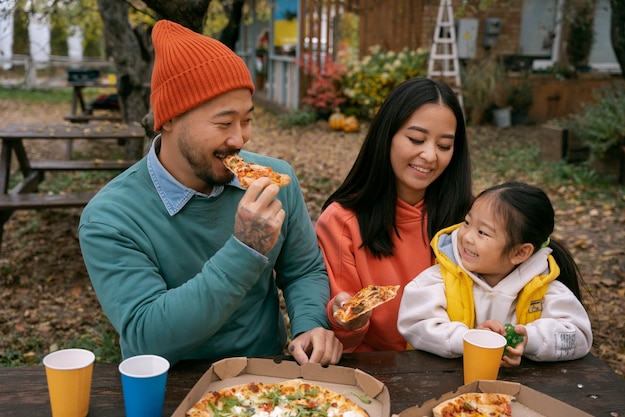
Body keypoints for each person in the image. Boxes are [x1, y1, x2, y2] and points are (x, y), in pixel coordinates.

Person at [78, 20, 342, 366]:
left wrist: (310, 325)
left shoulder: (271, 182)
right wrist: (245, 249)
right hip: (169, 383)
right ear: (169, 118)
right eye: (223, 123)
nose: (239, 139)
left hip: (266, 376)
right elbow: (148, 337)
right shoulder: (111, 217)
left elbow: (304, 270)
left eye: (247, 120)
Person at [315, 77, 474, 352]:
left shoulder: (469, 220)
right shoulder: (342, 223)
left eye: (444, 146)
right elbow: (340, 341)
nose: (430, 155)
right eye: (416, 139)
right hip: (379, 377)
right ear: (386, 136)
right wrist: (348, 321)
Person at [397, 181, 593, 366]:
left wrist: (528, 338)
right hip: (441, 388)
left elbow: (579, 338)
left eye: (483, 233)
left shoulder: (542, 289)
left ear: (520, 252)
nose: (467, 237)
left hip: (521, 393)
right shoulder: (439, 280)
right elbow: (414, 324)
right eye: (467, 222)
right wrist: (469, 339)